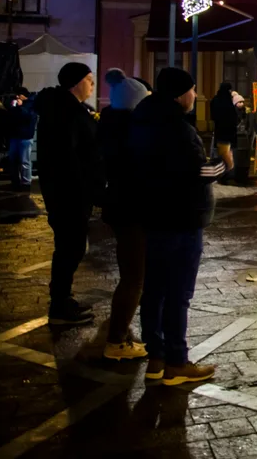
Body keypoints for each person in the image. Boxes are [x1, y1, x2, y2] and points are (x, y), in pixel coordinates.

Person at [132, 67, 223, 385]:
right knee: (178, 293)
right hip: (182, 219)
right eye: (193, 90)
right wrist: (222, 161)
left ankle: (155, 358)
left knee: (154, 289)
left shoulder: (143, 121)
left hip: (155, 216)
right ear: (180, 93)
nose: (195, 96)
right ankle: (176, 361)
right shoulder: (178, 130)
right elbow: (201, 172)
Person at [34, 62, 103, 326]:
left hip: (67, 192)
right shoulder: (67, 113)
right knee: (70, 248)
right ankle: (60, 305)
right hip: (70, 194)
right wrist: (90, 187)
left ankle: (62, 298)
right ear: (75, 82)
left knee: (69, 247)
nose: (92, 85)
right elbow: (70, 158)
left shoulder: (67, 110)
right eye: (89, 79)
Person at [99, 68, 151, 360]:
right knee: (134, 278)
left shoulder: (112, 125)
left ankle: (122, 332)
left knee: (132, 275)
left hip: (121, 208)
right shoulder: (130, 134)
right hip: (132, 210)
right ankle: (116, 342)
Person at [5, 86, 37, 191]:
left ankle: (26, 183)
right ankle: (15, 181)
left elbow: (29, 117)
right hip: (15, 136)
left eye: (19, 95)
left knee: (25, 161)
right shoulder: (16, 104)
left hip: (26, 137)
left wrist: (21, 106)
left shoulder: (31, 104)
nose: (17, 97)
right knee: (13, 160)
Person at [210, 82, 240, 177]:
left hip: (219, 131)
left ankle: (221, 173)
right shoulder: (228, 101)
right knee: (229, 153)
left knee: (219, 152)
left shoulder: (215, 100)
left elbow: (213, 115)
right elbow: (234, 117)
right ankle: (228, 173)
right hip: (229, 132)